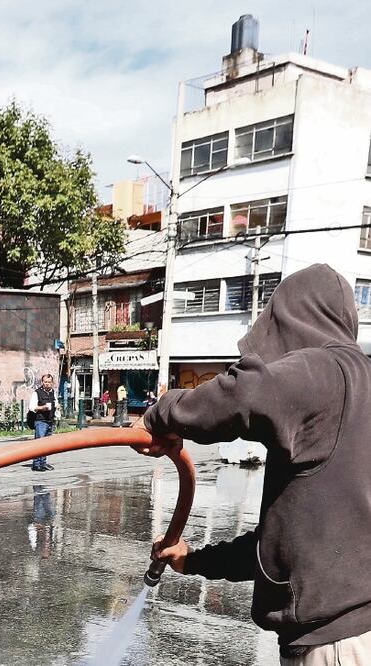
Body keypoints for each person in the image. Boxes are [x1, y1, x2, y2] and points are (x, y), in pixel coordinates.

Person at [133, 264, 371, 663]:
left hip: (335, 645)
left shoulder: (327, 372)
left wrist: (162, 415)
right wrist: (195, 560)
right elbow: (286, 546)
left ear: (291, 321)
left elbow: (247, 392)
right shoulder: (354, 393)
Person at [28, 373, 56, 471]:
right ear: (42, 382)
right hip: (40, 421)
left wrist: (58, 407)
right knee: (39, 443)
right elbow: (31, 407)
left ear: (52, 383)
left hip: (50, 421)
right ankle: (36, 464)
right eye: (45, 382)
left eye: (49, 382)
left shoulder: (53, 392)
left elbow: (55, 403)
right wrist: (42, 408)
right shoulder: (37, 393)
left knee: (46, 445)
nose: (47, 384)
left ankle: (43, 463)